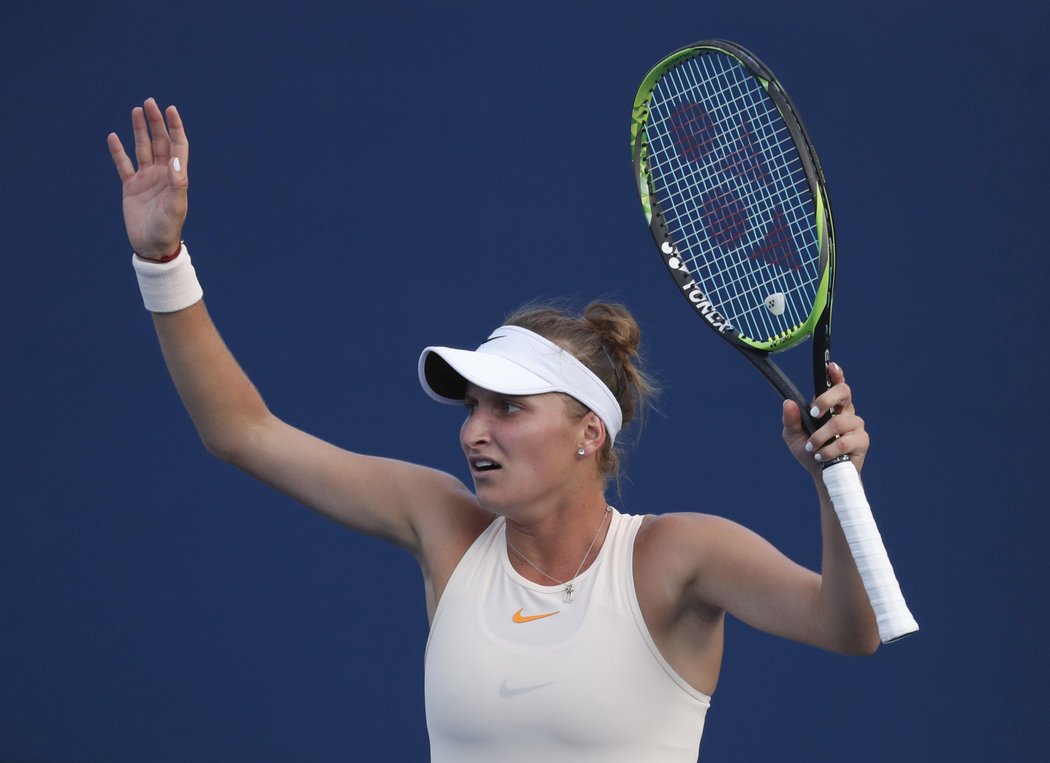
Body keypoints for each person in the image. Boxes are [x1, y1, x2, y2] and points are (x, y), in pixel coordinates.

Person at [108, 98, 879, 762]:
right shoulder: (442, 523)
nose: (475, 431)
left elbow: (850, 628)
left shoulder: (678, 555)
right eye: (472, 406)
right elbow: (242, 431)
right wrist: (162, 259)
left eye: (508, 408)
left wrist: (833, 484)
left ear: (588, 434)